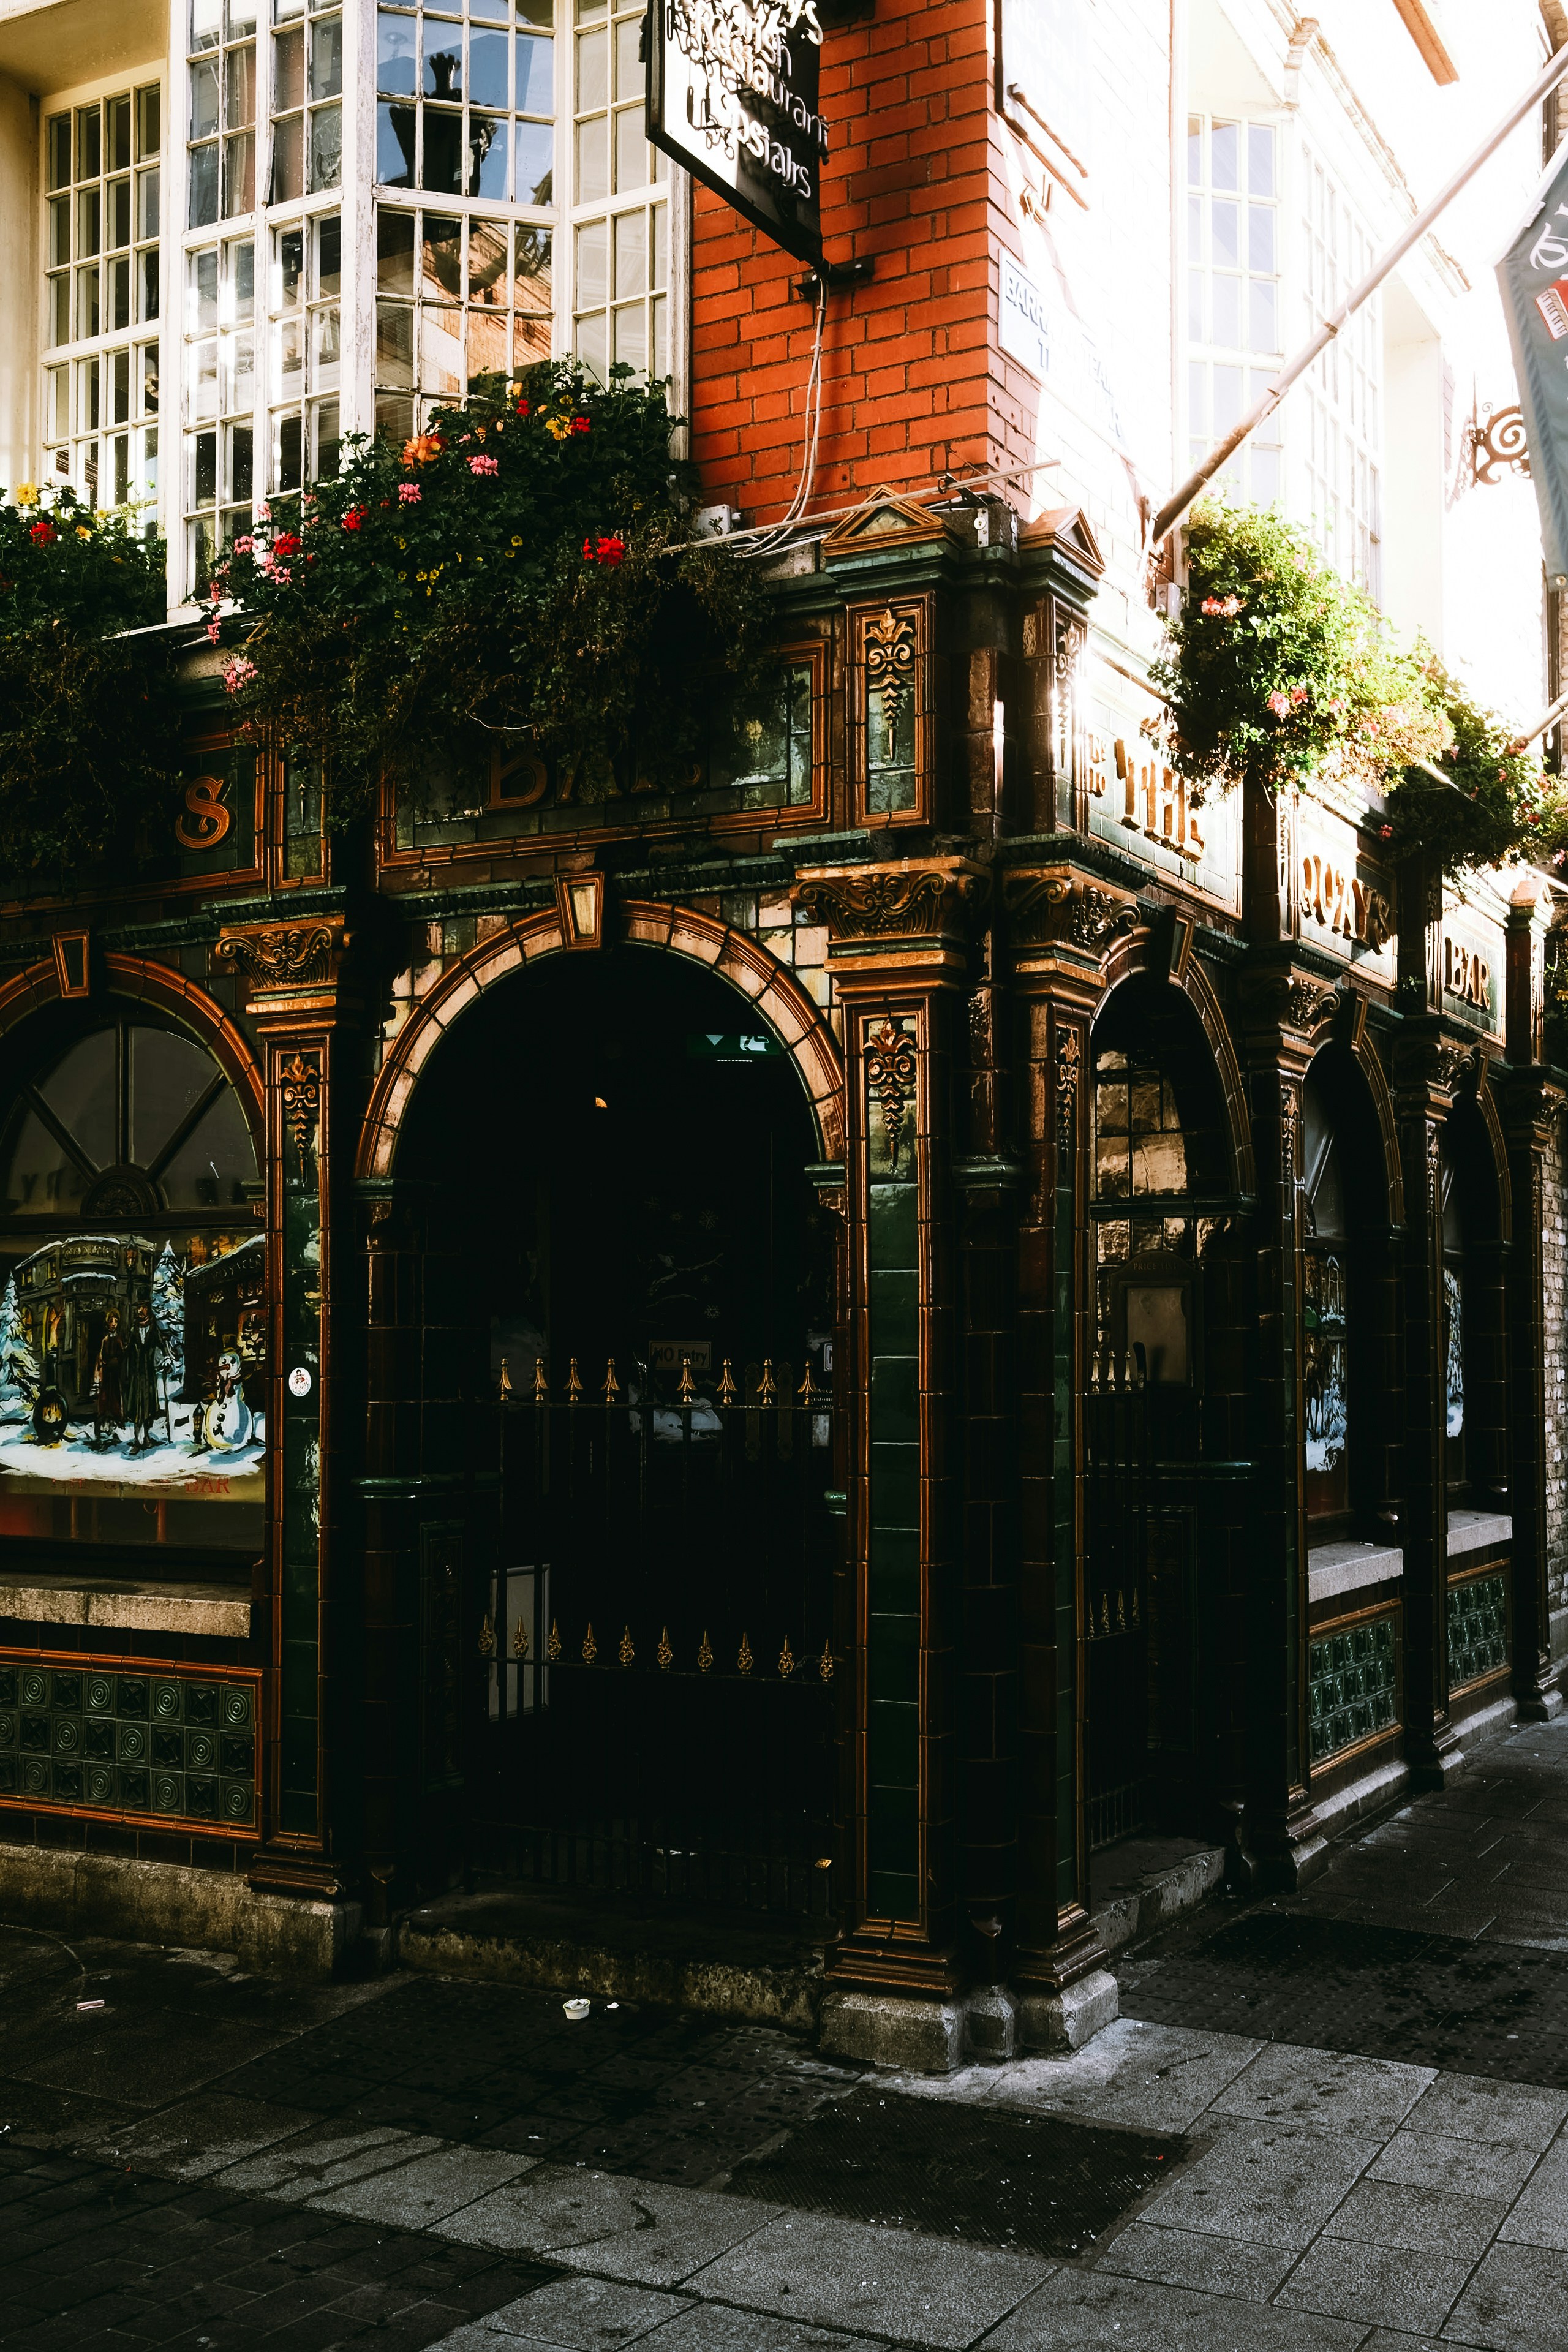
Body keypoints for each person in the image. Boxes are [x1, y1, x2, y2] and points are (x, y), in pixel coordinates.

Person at [123, 1300, 166, 1453]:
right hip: (136, 1374)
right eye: (138, 1308)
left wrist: (165, 1358)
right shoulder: (134, 1329)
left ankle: (146, 1436)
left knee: (148, 1407)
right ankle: (137, 1439)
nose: (140, 1311)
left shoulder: (154, 1328)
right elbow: (127, 1349)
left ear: (148, 1310)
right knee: (136, 1406)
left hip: (149, 1374)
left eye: (143, 1308)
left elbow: (162, 1345)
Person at [91, 1310, 125, 1448]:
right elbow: (101, 1356)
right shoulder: (105, 1340)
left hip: (115, 1374)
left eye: (115, 1322)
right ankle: (103, 1427)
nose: (113, 1324)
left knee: (115, 1398)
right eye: (111, 1321)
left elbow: (122, 1355)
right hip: (106, 1374)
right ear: (107, 1323)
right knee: (104, 1398)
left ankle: (116, 1426)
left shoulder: (118, 1339)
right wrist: (102, 1367)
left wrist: (116, 1364)